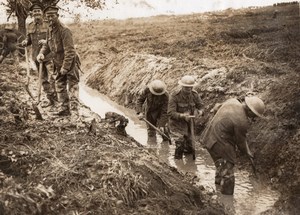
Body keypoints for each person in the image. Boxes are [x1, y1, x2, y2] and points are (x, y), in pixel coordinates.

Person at [201, 96, 265, 195]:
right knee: (228, 172)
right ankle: (227, 201)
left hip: (208, 137)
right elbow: (240, 142)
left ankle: (217, 189)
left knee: (220, 165)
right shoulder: (241, 121)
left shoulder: (232, 101)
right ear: (249, 110)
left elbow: (216, 109)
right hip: (219, 143)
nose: (254, 118)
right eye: (254, 116)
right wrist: (247, 152)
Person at [37, 5, 80, 116]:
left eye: (52, 16)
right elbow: (47, 44)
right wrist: (42, 53)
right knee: (60, 85)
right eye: (48, 16)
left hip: (69, 63)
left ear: (57, 16)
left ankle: (75, 113)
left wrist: (65, 68)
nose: (50, 19)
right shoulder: (50, 29)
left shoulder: (64, 30)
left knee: (72, 86)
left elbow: (70, 51)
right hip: (57, 62)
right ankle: (64, 110)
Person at [21, 1, 57, 108]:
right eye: (34, 11)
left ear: (42, 13)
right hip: (36, 56)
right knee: (43, 78)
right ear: (32, 13)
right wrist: (25, 42)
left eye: (38, 11)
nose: (36, 13)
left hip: (50, 56)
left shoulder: (48, 24)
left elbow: (54, 39)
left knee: (54, 77)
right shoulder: (30, 25)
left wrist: (46, 41)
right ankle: (50, 99)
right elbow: (29, 39)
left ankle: (59, 98)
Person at [168, 75, 203, 159]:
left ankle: (189, 167)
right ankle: (178, 163)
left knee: (191, 146)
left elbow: (200, 106)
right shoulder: (174, 96)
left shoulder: (195, 95)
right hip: (177, 124)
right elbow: (170, 113)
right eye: (187, 88)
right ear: (182, 86)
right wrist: (182, 116)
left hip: (190, 124)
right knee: (180, 143)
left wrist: (200, 111)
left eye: (191, 87)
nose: (189, 90)